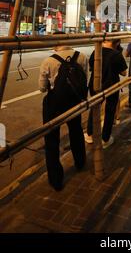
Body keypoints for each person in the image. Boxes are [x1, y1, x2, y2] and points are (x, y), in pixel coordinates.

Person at [39, 34, 88, 191]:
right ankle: (80, 163)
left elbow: (42, 88)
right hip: (74, 101)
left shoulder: (48, 61)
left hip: (54, 104)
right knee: (76, 131)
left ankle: (56, 180)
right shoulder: (82, 57)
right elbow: (84, 80)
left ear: (56, 43)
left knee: (52, 140)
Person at [85, 39, 127, 147]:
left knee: (95, 108)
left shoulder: (96, 51)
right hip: (111, 85)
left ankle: (89, 134)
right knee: (110, 110)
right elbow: (123, 72)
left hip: (95, 83)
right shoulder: (117, 54)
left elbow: (91, 67)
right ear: (117, 43)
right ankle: (105, 139)